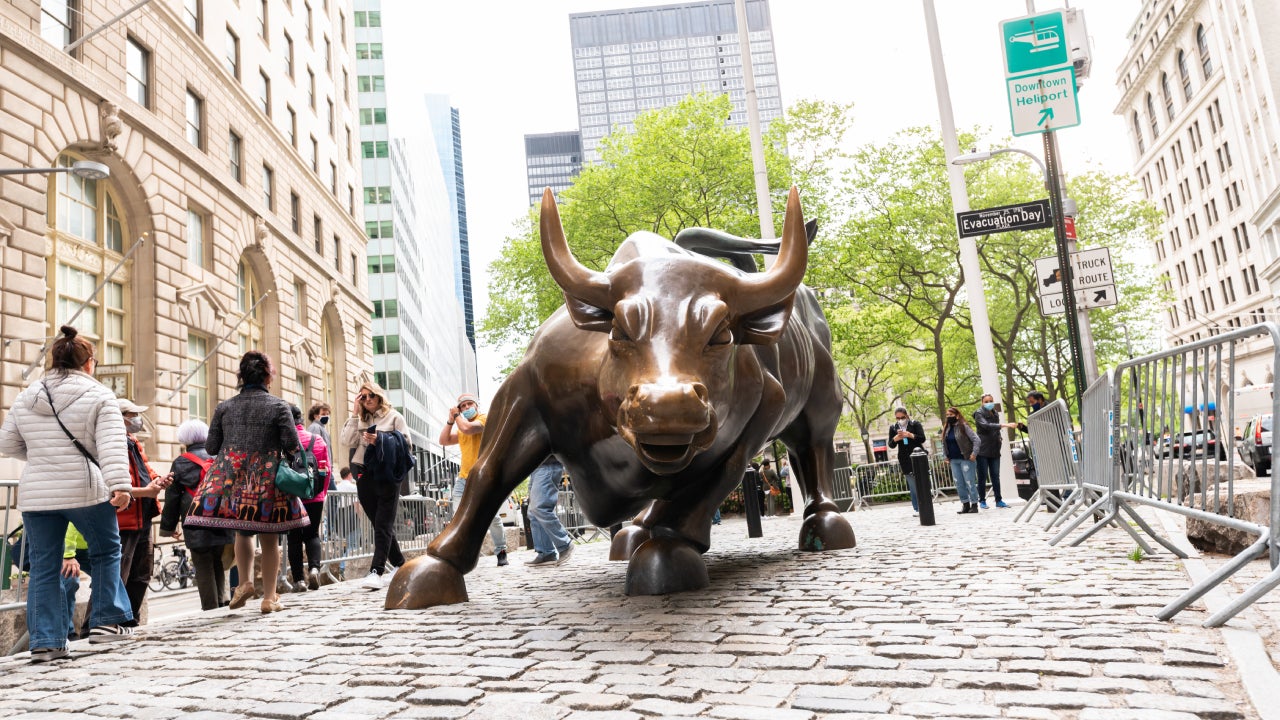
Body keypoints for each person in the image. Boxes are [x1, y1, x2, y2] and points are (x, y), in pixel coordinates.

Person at [0, 325, 137, 662]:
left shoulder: (26, 395)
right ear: (89, 363)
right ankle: (107, 621)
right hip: (84, 491)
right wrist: (120, 485)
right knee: (106, 550)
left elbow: (6, 443)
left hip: (37, 494)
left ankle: (46, 642)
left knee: (45, 565)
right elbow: (112, 446)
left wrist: (43, 458)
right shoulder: (101, 396)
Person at [185, 351, 307, 614]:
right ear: (267, 376)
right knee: (270, 538)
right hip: (266, 477)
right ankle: (270, 597)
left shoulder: (224, 407)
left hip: (232, 478)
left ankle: (244, 583)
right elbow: (293, 446)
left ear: (241, 376)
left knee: (242, 530)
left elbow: (212, 446)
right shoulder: (278, 406)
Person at [159, 419, 234, 611]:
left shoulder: (181, 462)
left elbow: (172, 497)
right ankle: (222, 600)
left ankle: (210, 607)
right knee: (217, 559)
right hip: (222, 516)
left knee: (202, 562)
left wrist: (168, 527)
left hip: (195, 519)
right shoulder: (220, 456)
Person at [341, 382, 409, 590]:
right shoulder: (360, 419)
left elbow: (406, 444)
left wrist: (380, 439)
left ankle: (376, 571)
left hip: (387, 475)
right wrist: (354, 414)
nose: (368, 399)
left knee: (382, 524)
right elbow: (346, 441)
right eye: (363, 397)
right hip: (365, 476)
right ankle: (400, 564)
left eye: (371, 395)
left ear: (379, 397)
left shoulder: (395, 417)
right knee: (380, 523)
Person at [114, 398, 171, 625]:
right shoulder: (111, 443)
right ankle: (103, 623)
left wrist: (159, 480)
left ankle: (130, 619)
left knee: (141, 574)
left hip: (143, 516)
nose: (136, 419)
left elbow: (147, 470)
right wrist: (147, 492)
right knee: (119, 574)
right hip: (125, 519)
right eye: (131, 414)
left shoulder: (133, 442)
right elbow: (114, 487)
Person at [439, 393, 508, 567]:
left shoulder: (484, 419)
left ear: (476, 406)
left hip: (483, 476)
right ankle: (461, 553)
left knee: (492, 517)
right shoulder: (461, 426)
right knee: (457, 516)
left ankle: (501, 550)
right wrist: (450, 421)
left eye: (470, 404)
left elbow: (469, 429)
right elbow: (443, 440)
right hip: (464, 478)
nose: (467, 408)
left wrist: (456, 417)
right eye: (463, 406)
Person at [287, 404, 330, 592]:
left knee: (294, 538)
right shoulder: (317, 440)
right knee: (312, 534)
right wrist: (323, 492)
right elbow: (326, 470)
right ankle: (314, 568)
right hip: (314, 495)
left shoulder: (284, 441)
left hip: (291, 497)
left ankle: (299, 581)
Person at [526, 455, 574, 567]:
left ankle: (565, 544)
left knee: (540, 508)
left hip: (548, 464)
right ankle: (546, 553)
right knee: (533, 513)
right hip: (536, 467)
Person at [973, 393, 1018, 510]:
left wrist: (999, 437)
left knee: (995, 476)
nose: (989, 403)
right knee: (982, 476)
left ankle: (999, 500)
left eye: (991, 401)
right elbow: (986, 426)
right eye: (986, 401)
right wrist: (1005, 425)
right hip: (982, 448)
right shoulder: (978, 413)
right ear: (982, 402)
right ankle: (982, 500)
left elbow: (995, 429)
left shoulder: (995, 413)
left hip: (994, 448)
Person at [941, 407, 980, 514]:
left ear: (957, 415)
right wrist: (945, 455)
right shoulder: (947, 428)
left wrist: (974, 453)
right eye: (947, 415)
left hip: (966, 458)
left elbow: (976, 439)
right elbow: (944, 443)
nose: (949, 417)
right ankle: (965, 504)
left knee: (969, 482)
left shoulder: (963, 426)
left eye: (951, 415)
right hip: (954, 460)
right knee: (959, 483)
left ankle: (974, 504)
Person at [889, 407, 927, 515]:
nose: (900, 419)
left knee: (921, 482)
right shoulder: (893, 427)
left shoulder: (915, 424)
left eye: (902, 417)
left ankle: (924, 504)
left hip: (918, 456)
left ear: (906, 415)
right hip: (904, 458)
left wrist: (910, 435)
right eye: (898, 418)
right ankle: (918, 508)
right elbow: (891, 444)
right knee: (912, 484)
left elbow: (922, 438)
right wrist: (895, 439)